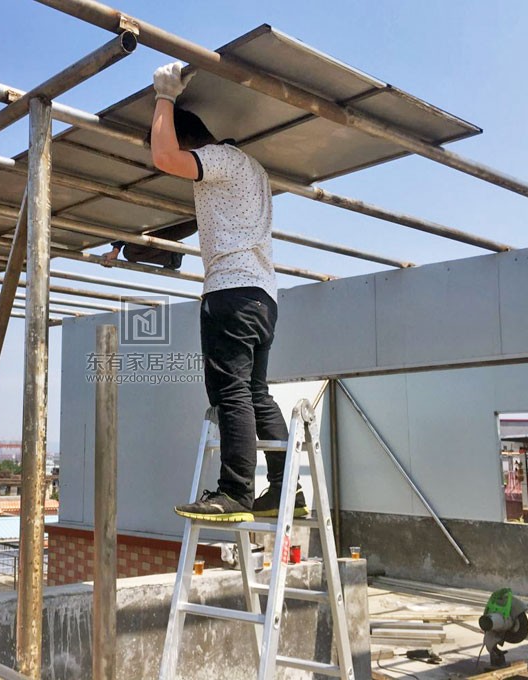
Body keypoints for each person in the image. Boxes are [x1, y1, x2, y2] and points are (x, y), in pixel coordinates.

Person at [149, 62, 305, 522]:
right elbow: (190, 223)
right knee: (256, 392)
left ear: (187, 140)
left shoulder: (216, 159)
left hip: (231, 292)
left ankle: (234, 489)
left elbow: (164, 157)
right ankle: (284, 489)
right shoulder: (248, 169)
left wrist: (163, 96)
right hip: (263, 296)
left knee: (230, 391)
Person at [101, 219, 197, 270]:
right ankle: (171, 257)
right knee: (130, 252)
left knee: (130, 252)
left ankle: (171, 256)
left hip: (184, 219)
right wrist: (115, 251)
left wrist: (115, 250)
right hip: (167, 223)